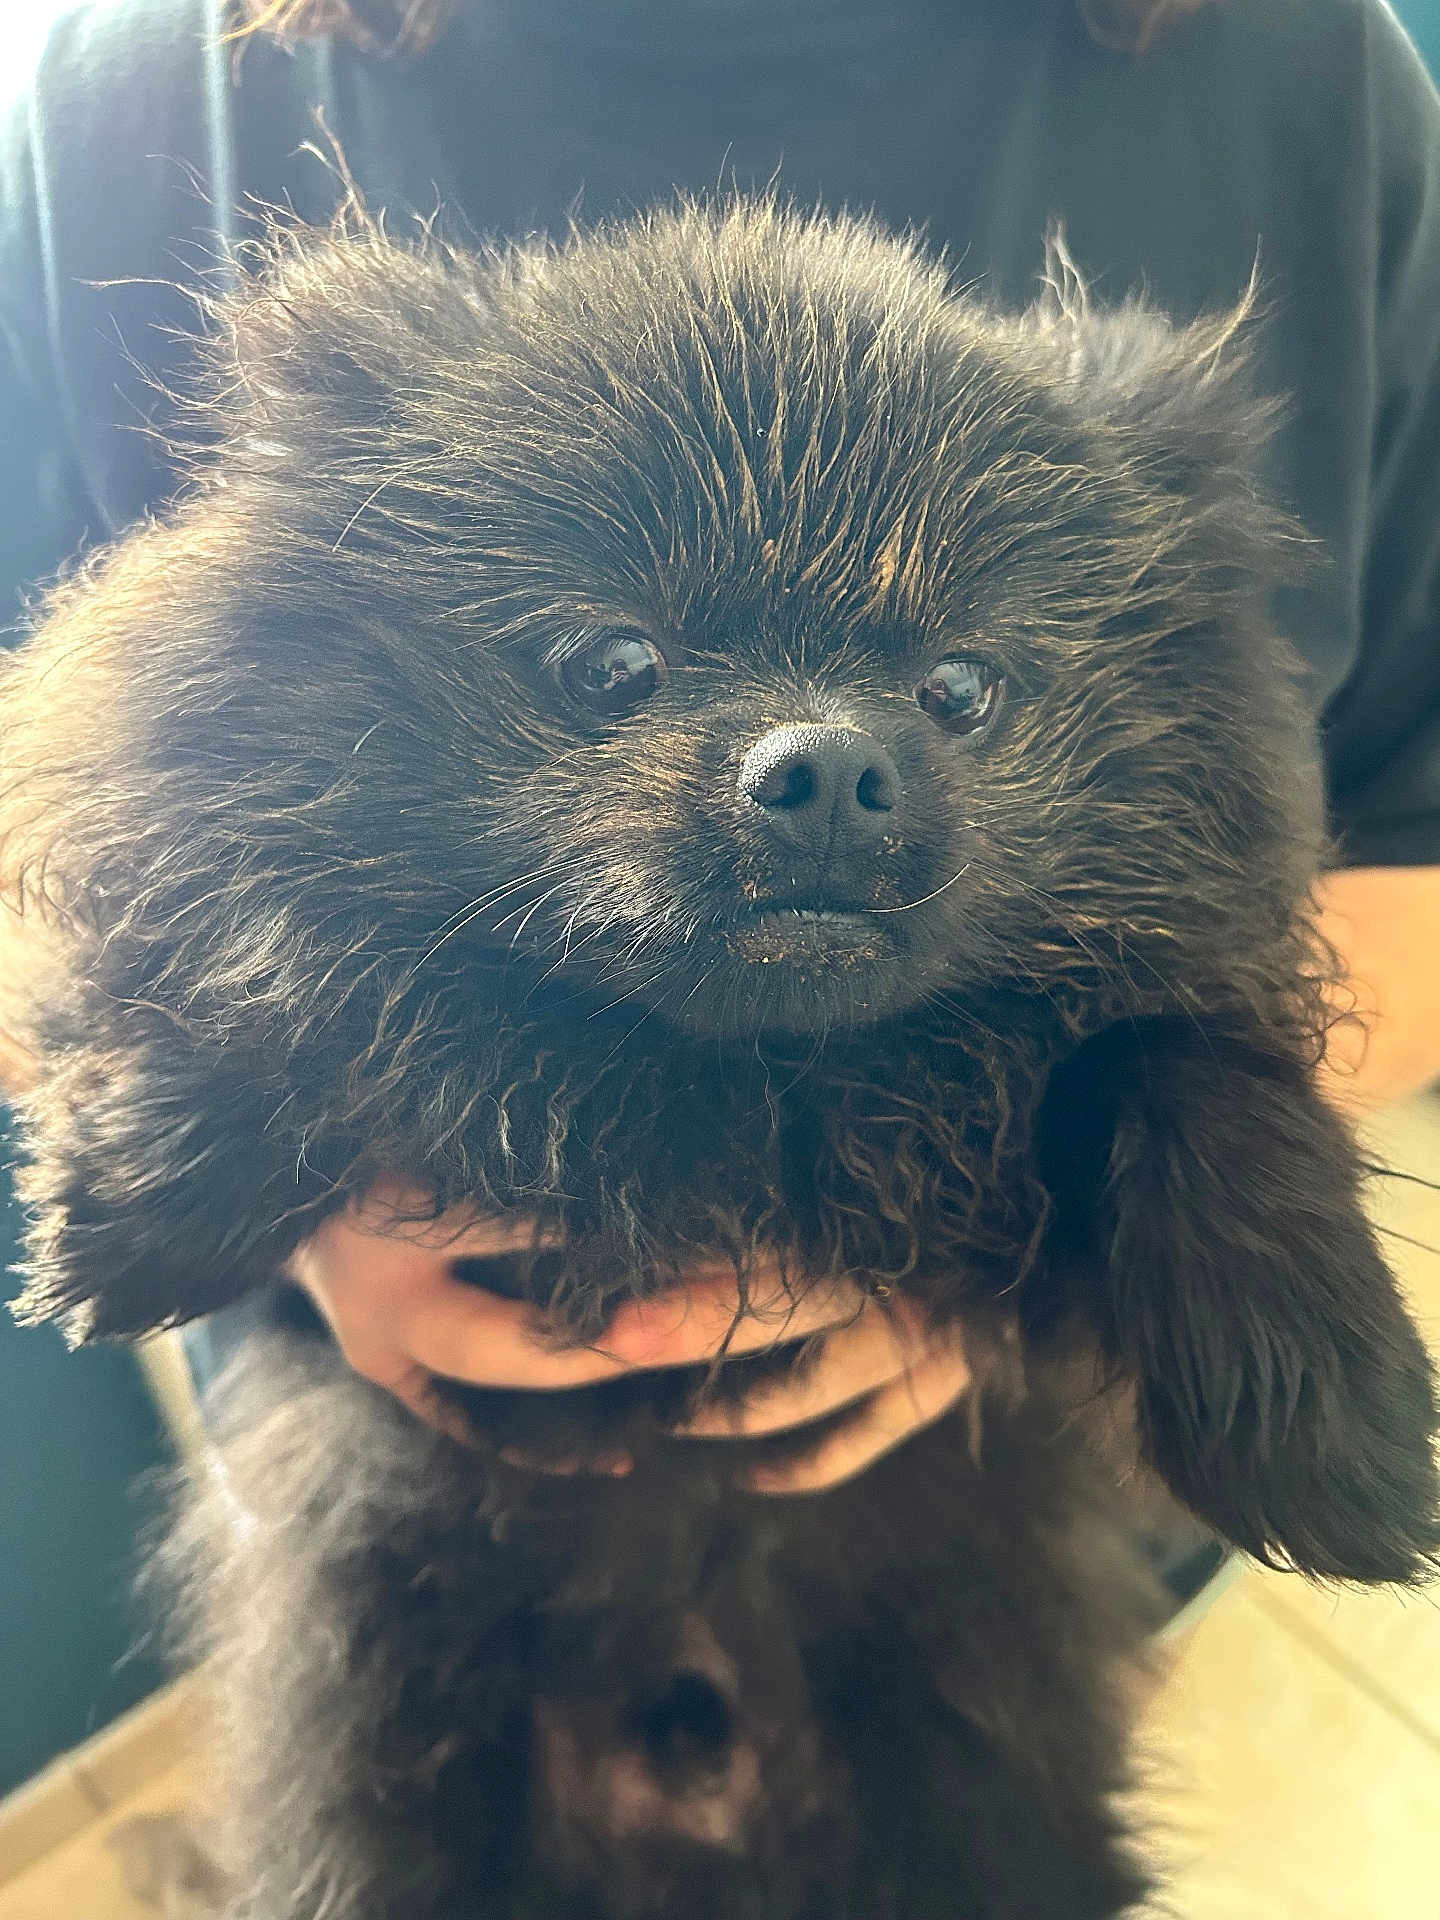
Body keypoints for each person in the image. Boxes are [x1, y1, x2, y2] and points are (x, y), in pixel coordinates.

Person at [2, 0, 1438, 1545]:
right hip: (402, 1515)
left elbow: (1390, 848)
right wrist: (261, 1132)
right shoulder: (137, 88)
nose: (825, 768)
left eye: (958, 693)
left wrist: (1161, 1177)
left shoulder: (1305, 67)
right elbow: (94, 812)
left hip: (969, 1551)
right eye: (610, 670)